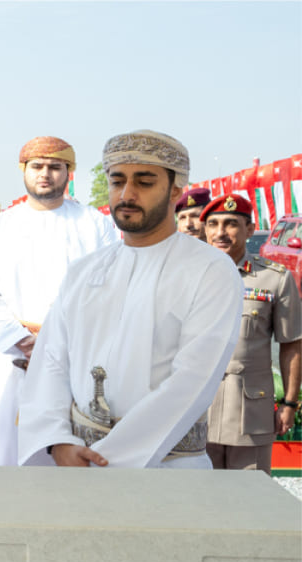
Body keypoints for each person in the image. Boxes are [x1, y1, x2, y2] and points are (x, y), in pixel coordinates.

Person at [18, 130, 243, 469]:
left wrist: (107, 460)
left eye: (145, 182)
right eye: (117, 181)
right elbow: (51, 360)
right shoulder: (83, 270)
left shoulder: (210, 270)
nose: (126, 194)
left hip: (166, 468)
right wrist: (57, 441)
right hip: (72, 463)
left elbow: (193, 379)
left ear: (176, 190)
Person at [0, 136, 119, 466]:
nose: (45, 173)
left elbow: (111, 287)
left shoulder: (95, 224)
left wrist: (62, 342)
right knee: (13, 449)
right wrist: (22, 341)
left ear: (69, 172)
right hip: (16, 357)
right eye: (37, 166)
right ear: (24, 171)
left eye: (55, 167)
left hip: (78, 355)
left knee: (73, 447)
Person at [201, 193, 301, 472]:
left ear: (250, 229)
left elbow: (291, 343)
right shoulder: (188, 275)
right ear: (205, 230)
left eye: (231, 224)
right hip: (197, 409)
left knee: (249, 499)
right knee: (197, 500)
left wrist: (289, 403)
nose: (220, 232)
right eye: (213, 224)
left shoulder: (274, 278)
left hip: (248, 412)